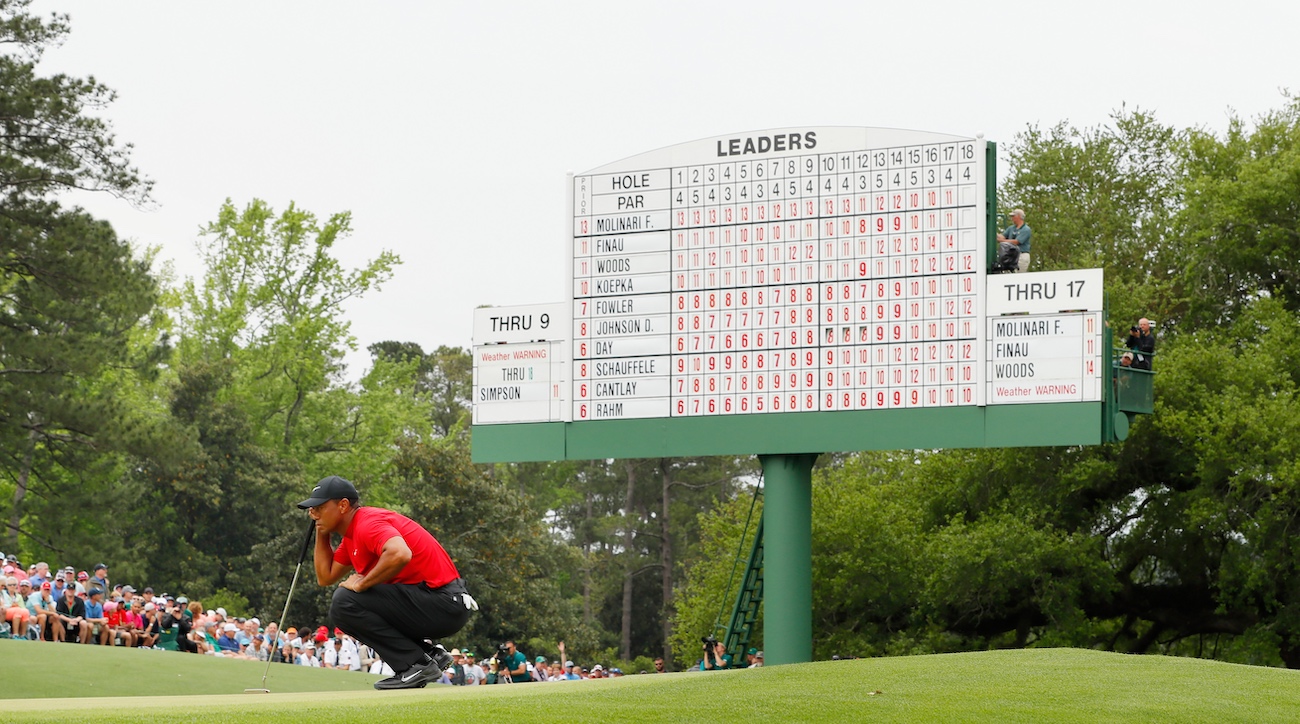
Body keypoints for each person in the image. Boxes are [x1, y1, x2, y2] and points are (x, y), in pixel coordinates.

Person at [300, 475, 476, 690]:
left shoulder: (367, 523)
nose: (312, 513)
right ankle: (427, 654)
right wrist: (322, 533)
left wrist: (363, 583)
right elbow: (325, 577)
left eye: (319, 507)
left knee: (345, 601)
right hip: (438, 604)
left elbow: (400, 554)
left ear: (343, 505)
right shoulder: (352, 537)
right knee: (344, 602)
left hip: (445, 603)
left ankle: (416, 664)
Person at [996, 208, 1032, 272]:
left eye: (1013, 216)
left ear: (1018, 216)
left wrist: (1001, 240)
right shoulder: (1011, 228)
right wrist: (994, 233)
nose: (1012, 218)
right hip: (1011, 256)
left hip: (1021, 255)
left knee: (1018, 276)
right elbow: (1003, 236)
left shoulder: (1026, 229)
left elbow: (1016, 242)